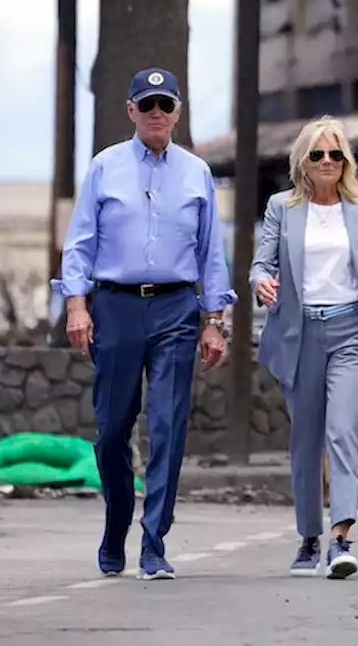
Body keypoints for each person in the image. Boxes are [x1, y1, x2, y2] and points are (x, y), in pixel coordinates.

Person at [54, 67, 234, 581]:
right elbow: (80, 243)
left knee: (168, 424)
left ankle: (155, 542)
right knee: (112, 429)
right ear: (131, 110)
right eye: (147, 104)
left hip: (176, 308)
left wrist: (214, 319)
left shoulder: (197, 173)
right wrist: (76, 304)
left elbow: (209, 253)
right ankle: (116, 527)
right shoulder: (105, 168)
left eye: (166, 105)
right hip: (115, 305)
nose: (157, 113)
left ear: (178, 112)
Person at [250, 115, 358, 580]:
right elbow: (260, 263)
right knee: (306, 441)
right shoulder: (282, 208)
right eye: (318, 153)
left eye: (336, 154)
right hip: (299, 335)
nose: (327, 161)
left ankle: (340, 539)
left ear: (347, 162)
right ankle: (308, 536)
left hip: (352, 335)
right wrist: (262, 281)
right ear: (302, 160)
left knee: (343, 432)